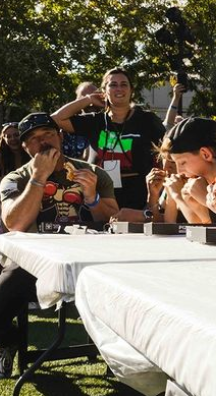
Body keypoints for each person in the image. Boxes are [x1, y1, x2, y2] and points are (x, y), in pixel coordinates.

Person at [0, 112, 117, 377]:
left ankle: (119, 355)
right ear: (24, 147)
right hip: (33, 265)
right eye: (33, 139)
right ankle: (9, 339)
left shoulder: (93, 173)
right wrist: (38, 178)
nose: (42, 142)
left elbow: (113, 219)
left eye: (48, 134)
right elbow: (14, 223)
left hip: (90, 261)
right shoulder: (15, 179)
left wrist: (92, 198)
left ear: (61, 136)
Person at [51, 67, 166, 210]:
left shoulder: (147, 120)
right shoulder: (95, 121)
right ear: (104, 91)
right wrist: (88, 99)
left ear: (131, 90)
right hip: (102, 195)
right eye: (113, 85)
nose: (119, 89)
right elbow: (55, 119)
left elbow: (166, 151)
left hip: (140, 196)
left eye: (124, 84)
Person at [61, 81, 98, 160]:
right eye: (85, 98)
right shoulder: (65, 126)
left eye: (95, 97)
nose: (91, 104)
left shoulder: (108, 123)